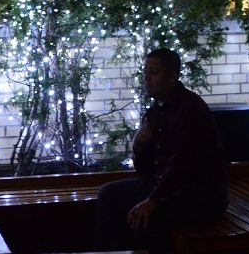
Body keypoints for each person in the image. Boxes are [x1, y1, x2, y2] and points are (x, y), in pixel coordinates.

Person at [96, 48, 229, 253]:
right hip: (167, 186)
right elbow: (147, 171)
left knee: (148, 218)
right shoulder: (156, 111)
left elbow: (182, 165)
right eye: (145, 72)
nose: (146, 78)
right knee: (109, 194)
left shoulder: (190, 109)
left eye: (154, 72)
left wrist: (152, 200)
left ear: (172, 76)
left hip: (200, 194)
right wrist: (139, 145)